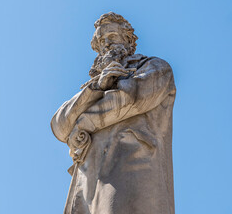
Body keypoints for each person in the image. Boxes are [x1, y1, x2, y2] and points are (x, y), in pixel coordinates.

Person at [51, 12, 176, 214]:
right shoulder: (92, 87)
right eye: (101, 41)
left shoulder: (154, 68)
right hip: (89, 186)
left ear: (127, 40)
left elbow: (127, 100)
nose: (106, 45)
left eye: (111, 37)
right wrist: (96, 89)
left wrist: (81, 124)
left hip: (130, 175)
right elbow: (59, 125)